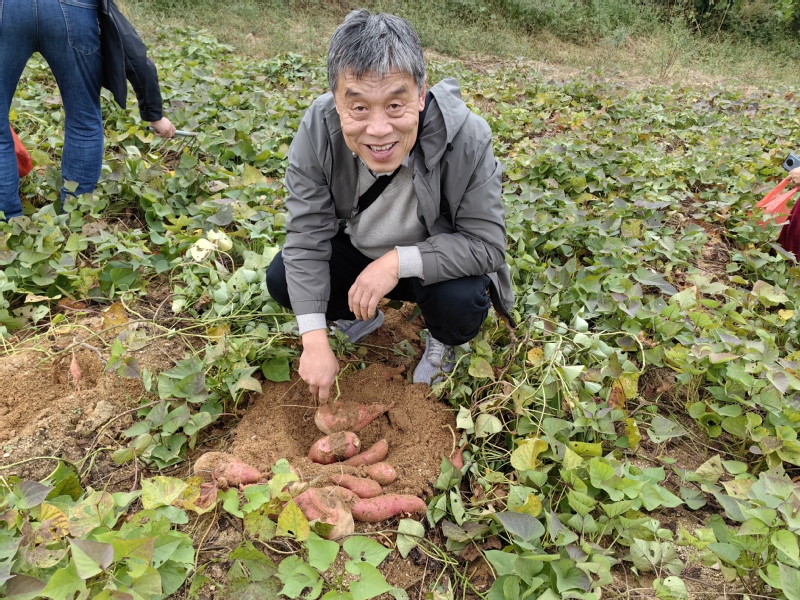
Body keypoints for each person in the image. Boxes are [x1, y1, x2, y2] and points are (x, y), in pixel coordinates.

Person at [266, 10, 515, 401]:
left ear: (421, 94)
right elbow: (306, 237)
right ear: (336, 100)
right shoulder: (318, 129)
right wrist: (312, 339)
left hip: (430, 267)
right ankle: (354, 317)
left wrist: (398, 261)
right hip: (356, 253)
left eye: (396, 105)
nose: (379, 130)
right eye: (359, 108)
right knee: (283, 276)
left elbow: (486, 245)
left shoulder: (468, 137)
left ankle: (441, 339)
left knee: (459, 301)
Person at [0, 0, 175, 220]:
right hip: (73, 7)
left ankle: (6, 221)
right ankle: (74, 214)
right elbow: (131, 47)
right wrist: (153, 113)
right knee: (83, 121)